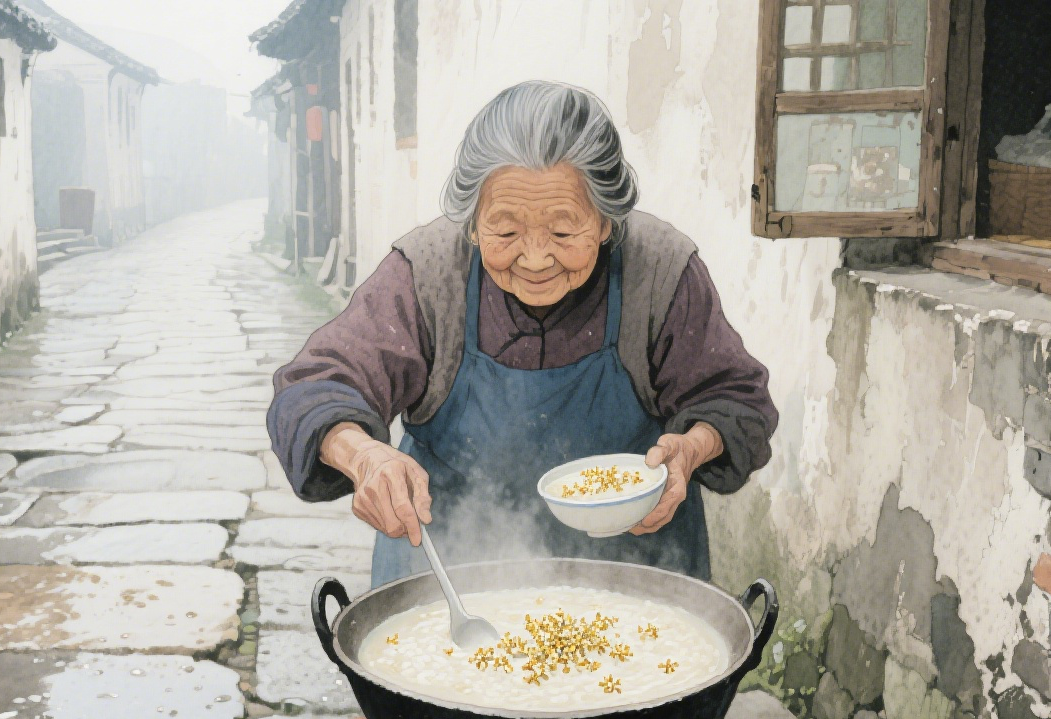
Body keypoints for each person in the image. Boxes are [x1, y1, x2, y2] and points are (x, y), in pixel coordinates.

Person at [268, 80, 777, 589]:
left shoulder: (660, 270)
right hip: (451, 582)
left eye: (562, 232)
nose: (535, 258)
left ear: (605, 222)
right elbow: (313, 389)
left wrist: (691, 450)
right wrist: (363, 456)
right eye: (505, 232)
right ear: (471, 223)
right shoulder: (427, 274)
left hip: (635, 575)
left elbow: (735, 400)